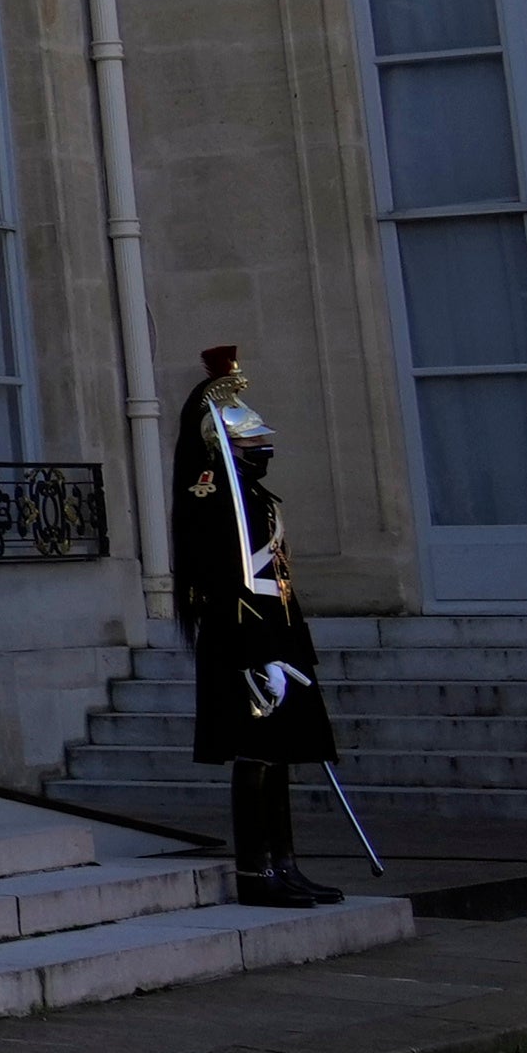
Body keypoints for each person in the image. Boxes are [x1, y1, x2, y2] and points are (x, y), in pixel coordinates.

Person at [173, 343, 345, 910]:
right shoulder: (212, 500)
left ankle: (285, 862)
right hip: (242, 637)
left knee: (284, 751)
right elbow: (222, 583)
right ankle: (255, 869)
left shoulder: (255, 498)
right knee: (257, 753)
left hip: (277, 629)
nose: (262, 448)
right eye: (251, 442)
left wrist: (287, 642)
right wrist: (259, 650)